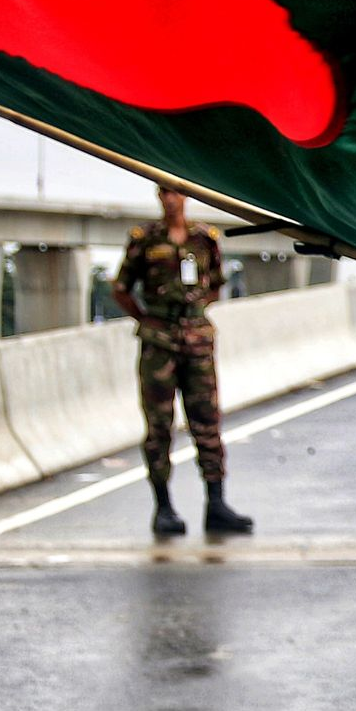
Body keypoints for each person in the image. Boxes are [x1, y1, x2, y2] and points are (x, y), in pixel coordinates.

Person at [111, 184, 253, 537]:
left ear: (185, 197)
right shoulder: (145, 239)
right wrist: (148, 319)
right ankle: (164, 507)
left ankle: (216, 504)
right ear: (158, 197)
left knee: (207, 421)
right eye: (165, 192)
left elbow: (217, 284)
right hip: (159, 343)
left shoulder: (204, 238)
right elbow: (121, 288)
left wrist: (194, 312)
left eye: (177, 192)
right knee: (159, 426)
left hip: (197, 342)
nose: (171, 199)